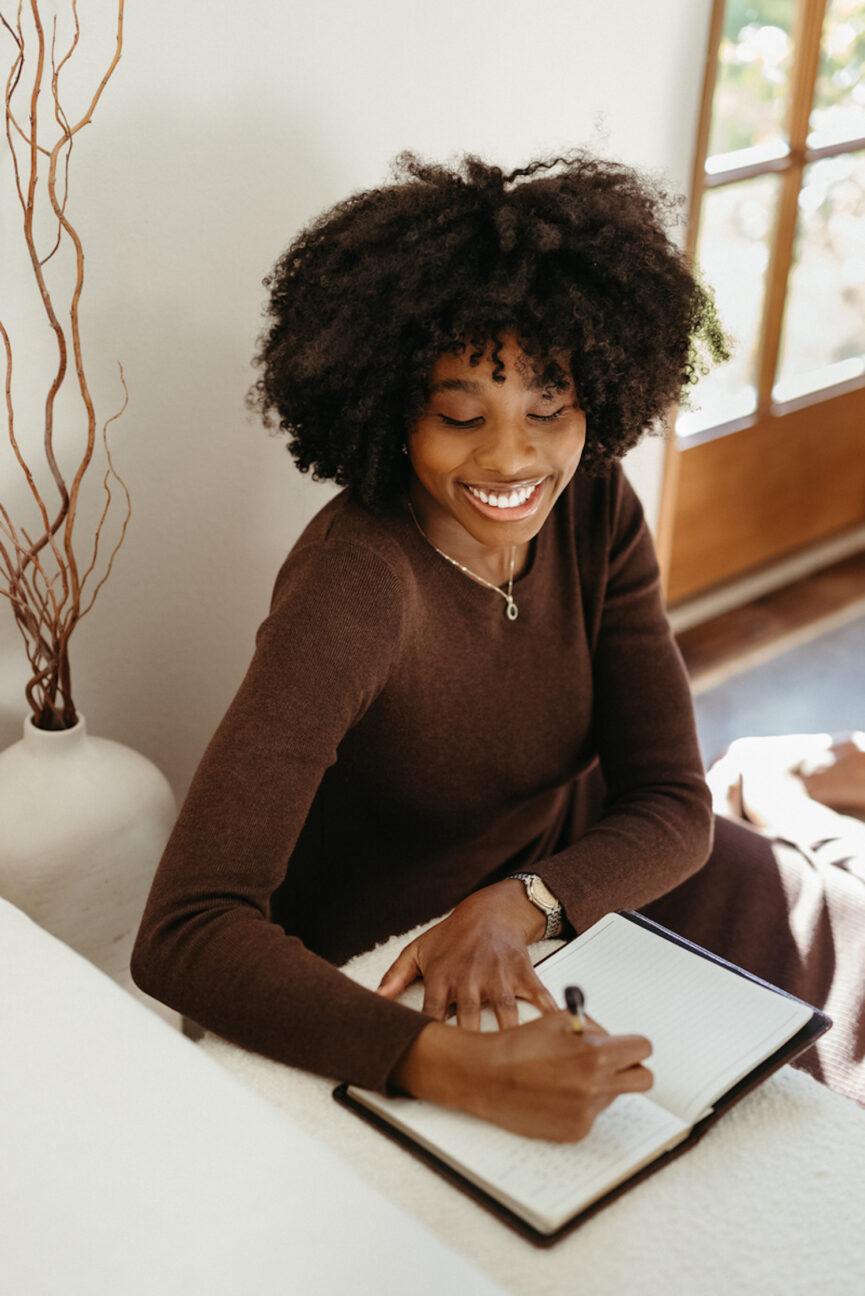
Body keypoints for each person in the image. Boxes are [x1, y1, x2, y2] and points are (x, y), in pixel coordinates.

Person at [132, 153, 863, 1139]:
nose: (513, 458)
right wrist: (449, 1069)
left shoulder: (594, 503)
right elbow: (185, 932)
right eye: (461, 415)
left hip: (572, 880)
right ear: (392, 412)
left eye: (547, 408)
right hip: (396, 959)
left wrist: (522, 903)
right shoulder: (355, 587)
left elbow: (672, 801)